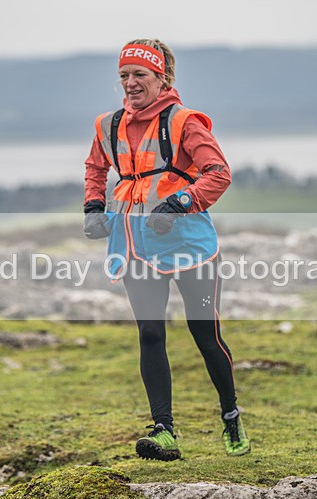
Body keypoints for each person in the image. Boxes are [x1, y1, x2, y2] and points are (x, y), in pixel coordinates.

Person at [83, 38, 249, 461]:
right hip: (135, 246)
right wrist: (93, 206)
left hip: (189, 246)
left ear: (162, 77)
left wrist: (179, 203)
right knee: (151, 333)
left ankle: (230, 415)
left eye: (140, 74)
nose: (131, 83)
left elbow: (218, 173)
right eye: (124, 75)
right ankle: (164, 432)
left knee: (205, 336)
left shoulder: (185, 122)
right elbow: (95, 167)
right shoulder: (108, 123)